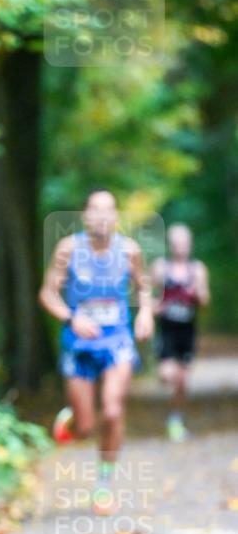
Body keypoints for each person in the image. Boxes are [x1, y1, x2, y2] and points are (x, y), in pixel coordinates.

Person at [38, 189, 154, 514]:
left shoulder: (129, 251)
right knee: (86, 427)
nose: (102, 216)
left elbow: (143, 286)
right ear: (86, 216)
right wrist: (72, 317)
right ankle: (73, 421)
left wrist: (145, 312)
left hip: (117, 340)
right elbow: (48, 294)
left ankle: (104, 484)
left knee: (113, 411)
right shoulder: (69, 249)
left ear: (116, 217)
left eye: (108, 210)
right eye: (95, 210)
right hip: (79, 344)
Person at [151, 224, 210, 441]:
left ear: (190, 244)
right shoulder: (160, 268)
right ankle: (165, 377)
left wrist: (197, 294)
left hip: (187, 331)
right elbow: (149, 297)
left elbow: (205, 301)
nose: (180, 247)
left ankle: (176, 418)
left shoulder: (197, 269)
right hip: (166, 330)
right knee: (168, 375)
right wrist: (157, 307)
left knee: (182, 381)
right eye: (176, 243)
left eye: (184, 242)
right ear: (170, 245)